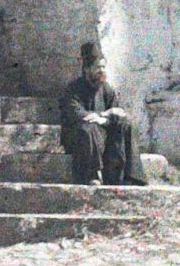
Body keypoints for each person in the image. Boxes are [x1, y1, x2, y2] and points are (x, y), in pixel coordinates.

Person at [58, 41, 148, 186]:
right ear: (87, 69)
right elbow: (77, 114)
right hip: (79, 138)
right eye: (98, 67)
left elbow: (116, 112)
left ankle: (131, 176)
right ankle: (91, 175)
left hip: (102, 135)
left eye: (104, 67)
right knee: (89, 128)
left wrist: (103, 117)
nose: (102, 71)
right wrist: (102, 116)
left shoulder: (106, 89)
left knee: (125, 125)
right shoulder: (73, 89)